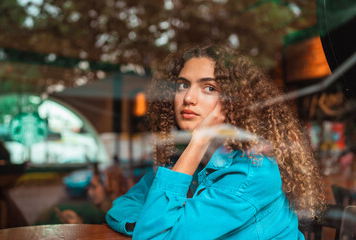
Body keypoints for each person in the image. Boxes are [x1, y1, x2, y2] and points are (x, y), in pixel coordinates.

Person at [106, 45, 325, 239]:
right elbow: (121, 207)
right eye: (182, 85)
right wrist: (147, 221)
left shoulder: (251, 172)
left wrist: (199, 141)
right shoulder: (180, 162)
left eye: (209, 88)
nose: (188, 98)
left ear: (236, 101)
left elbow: (154, 236)